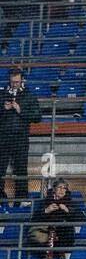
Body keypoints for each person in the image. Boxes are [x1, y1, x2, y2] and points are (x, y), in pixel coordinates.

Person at [0, 69, 39, 200]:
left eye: (17, 81)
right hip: (3, 138)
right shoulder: (1, 94)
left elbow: (37, 117)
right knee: (0, 169)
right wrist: (3, 109)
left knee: (21, 170)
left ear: (22, 80)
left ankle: (21, 199)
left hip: (20, 139)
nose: (14, 84)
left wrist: (20, 110)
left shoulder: (29, 96)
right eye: (12, 82)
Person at [29, 178, 85, 259]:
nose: (62, 190)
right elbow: (33, 219)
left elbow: (82, 219)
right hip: (46, 233)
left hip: (63, 235)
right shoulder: (45, 202)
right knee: (40, 235)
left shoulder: (70, 203)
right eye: (60, 187)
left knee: (64, 229)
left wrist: (67, 210)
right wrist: (46, 210)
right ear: (54, 189)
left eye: (64, 188)